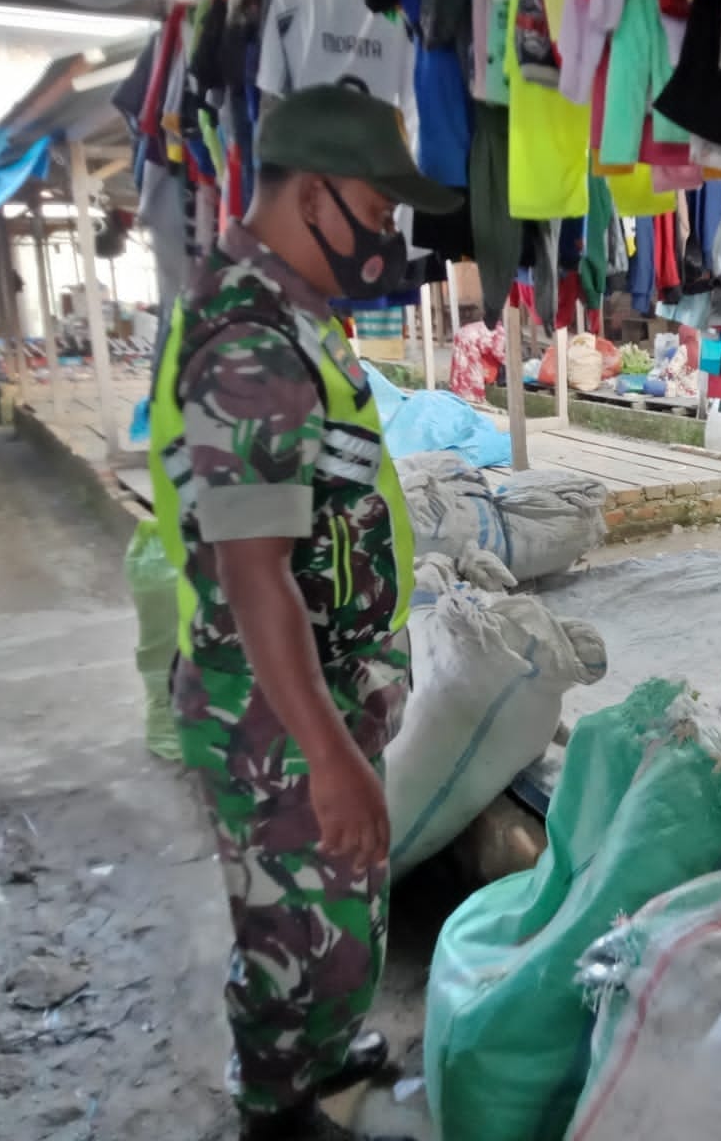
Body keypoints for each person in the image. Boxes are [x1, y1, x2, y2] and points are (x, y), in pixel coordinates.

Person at [147, 85, 461, 1141]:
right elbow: (253, 572)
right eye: (376, 213)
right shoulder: (251, 341)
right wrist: (327, 754)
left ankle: (322, 1049)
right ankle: (277, 1106)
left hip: (315, 687)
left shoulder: (292, 311)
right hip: (273, 715)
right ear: (314, 194)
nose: (386, 239)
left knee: (334, 908)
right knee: (292, 922)